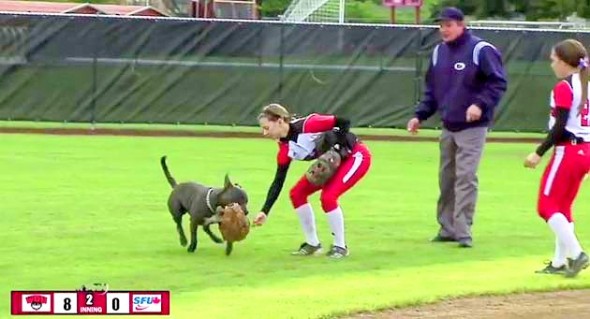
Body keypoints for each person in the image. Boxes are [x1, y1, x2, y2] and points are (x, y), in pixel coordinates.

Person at [406, 7, 507, 248]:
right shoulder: (438, 52)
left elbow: (498, 82)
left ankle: (463, 231)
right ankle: (447, 228)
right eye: (441, 25)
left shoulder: (480, 50)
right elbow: (432, 90)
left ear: (461, 25)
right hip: (448, 125)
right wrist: (419, 115)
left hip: (473, 126)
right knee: (446, 178)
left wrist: (480, 105)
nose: (444, 29)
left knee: (465, 177)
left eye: (449, 25)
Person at [252, 103, 372, 258]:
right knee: (297, 193)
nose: (264, 133)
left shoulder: (309, 124)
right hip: (332, 161)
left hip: (356, 155)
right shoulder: (285, 149)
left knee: (328, 197)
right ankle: (312, 243)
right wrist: (265, 210)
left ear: (280, 121)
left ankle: (340, 246)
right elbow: (278, 181)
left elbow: (344, 122)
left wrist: (339, 147)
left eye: (267, 127)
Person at [524, 39, 590, 278]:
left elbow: (560, 126)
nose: (552, 65)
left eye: (554, 60)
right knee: (563, 207)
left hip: (569, 151)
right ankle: (560, 262)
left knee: (547, 206)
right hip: (586, 150)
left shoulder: (565, 86)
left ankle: (577, 253)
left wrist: (538, 152)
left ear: (564, 62)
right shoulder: (587, 84)